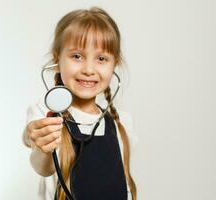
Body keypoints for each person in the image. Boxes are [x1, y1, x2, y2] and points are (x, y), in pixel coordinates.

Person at [22, 7, 138, 200]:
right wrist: (42, 146)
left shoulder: (122, 123)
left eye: (101, 59)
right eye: (77, 56)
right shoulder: (44, 114)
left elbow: (123, 184)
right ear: (57, 59)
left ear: (114, 64)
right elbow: (42, 166)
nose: (89, 69)